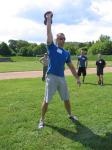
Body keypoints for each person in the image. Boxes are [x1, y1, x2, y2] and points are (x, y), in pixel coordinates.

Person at [38, 11, 81, 129]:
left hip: (62, 78)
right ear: (56, 39)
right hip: (51, 77)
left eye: (63, 38)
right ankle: (42, 120)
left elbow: (71, 67)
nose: (62, 40)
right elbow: (48, 33)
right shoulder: (51, 47)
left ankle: (70, 115)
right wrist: (48, 20)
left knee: (66, 99)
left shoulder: (66, 53)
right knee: (46, 100)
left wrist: (77, 78)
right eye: (60, 38)